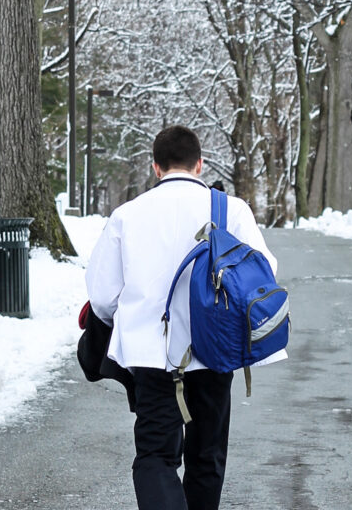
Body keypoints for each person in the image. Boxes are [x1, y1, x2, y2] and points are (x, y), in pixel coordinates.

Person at [85, 125, 280, 510]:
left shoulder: (127, 215)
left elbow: (103, 296)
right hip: (215, 349)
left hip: (152, 355)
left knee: (155, 458)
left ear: (156, 167)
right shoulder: (231, 210)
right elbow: (265, 274)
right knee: (206, 457)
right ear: (200, 165)